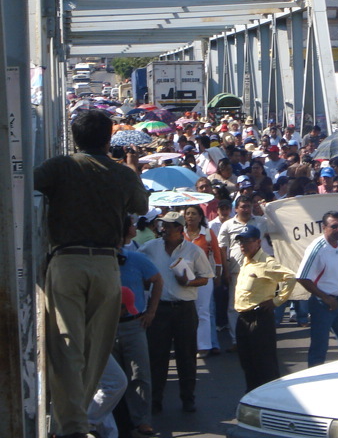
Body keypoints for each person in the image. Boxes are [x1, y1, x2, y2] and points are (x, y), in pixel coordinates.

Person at [34, 109, 148, 438]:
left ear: (74, 137)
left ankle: (69, 426)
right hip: (106, 264)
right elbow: (140, 207)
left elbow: (24, 181)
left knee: (66, 346)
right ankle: (76, 420)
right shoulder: (122, 173)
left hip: (67, 261)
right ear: (109, 137)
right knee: (96, 350)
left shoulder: (61, 166)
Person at [139, 212, 214, 414]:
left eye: (170, 226)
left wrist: (189, 281)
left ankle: (188, 398)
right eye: (164, 226)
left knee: (186, 356)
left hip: (184, 309)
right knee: (157, 357)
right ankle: (155, 400)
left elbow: (206, 277)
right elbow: (138, 264)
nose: (165, 229)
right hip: (160, 309)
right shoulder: (151, 248)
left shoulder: (193, 251)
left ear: (180, 230)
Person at [113, 222, 163, 438]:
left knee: (139, 374)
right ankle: (114, 420)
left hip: (134, 325)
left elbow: (157, 281)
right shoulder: (99, 263)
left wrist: (151, 311)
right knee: (110, 379)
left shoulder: (136, 259)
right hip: (106, 326)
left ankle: (142, 420)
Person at [233, 225, 297, 391]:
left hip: (259, 318)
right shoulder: (246, 261)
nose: (243, 245)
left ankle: (270, 399)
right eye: (241, 241)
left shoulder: (266, 262)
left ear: (258, 242)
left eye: (247, 241)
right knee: (247, 363)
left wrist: (276, 301)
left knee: (265, 364)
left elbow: (290, 277)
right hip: (243, 317)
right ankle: (251, 396)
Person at [297, 211, 338, 367]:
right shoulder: (317, 248)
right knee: (320, 347)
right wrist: (325, 298)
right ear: (324, 227)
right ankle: (314, 381)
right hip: (322, 305)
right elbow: (302, 277)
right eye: (334, 226)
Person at [218, 195, 269, 352]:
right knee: (234, 307)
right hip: (236, 271)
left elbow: (279, 232)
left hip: (257, 271)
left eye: (248, 206)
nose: (246, 209)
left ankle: (256, 339)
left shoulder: (262, 222)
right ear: (236, 209)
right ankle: (236, 340)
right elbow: (222, 249)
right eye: (243, 207)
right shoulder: (227, 225)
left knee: (257, 305)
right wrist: (225, 271)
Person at [183, 205, 223, 358]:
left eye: (194, 214)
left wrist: (218, 276)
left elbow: (217, 256)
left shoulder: (207, 233)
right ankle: (188, 346)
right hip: (184, 277)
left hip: (204, 277)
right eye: (188, 214)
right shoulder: (180, 234)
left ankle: (204, 346)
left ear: (200, 217)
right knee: (186, 313)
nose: (190, 216)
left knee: (203, 312)